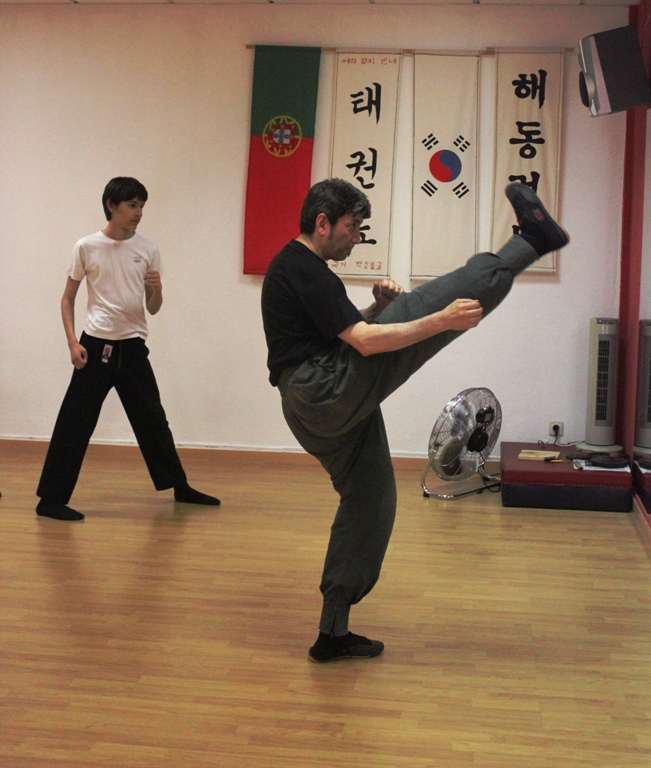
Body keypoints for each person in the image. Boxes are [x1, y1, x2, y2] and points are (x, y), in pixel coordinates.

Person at [261, 178, 569, 662]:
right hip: (320, 393)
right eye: (351, 227)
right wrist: (441, 321)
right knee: (422, 307)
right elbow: (364, 343)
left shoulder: (303, 269)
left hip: (316, 400)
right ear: (322, 223)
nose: (356, 237)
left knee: (372, 502)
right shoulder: (301, 267)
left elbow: (342, 333)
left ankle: (332, 631)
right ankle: (531, 240)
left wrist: (377, 309)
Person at [36, 177, 220, 521]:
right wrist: (73, 342)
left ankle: (179, 487)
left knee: (153, 419)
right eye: (132, 205)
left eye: (141, 206)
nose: (138, 213)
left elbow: (154, 308)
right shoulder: (87, 247)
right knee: (75, 422)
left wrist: (157, 288)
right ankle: (50, 500)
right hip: (96, 346)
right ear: (112, 205)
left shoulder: (148, 249)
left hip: (133, 346)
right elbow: (67, 298)